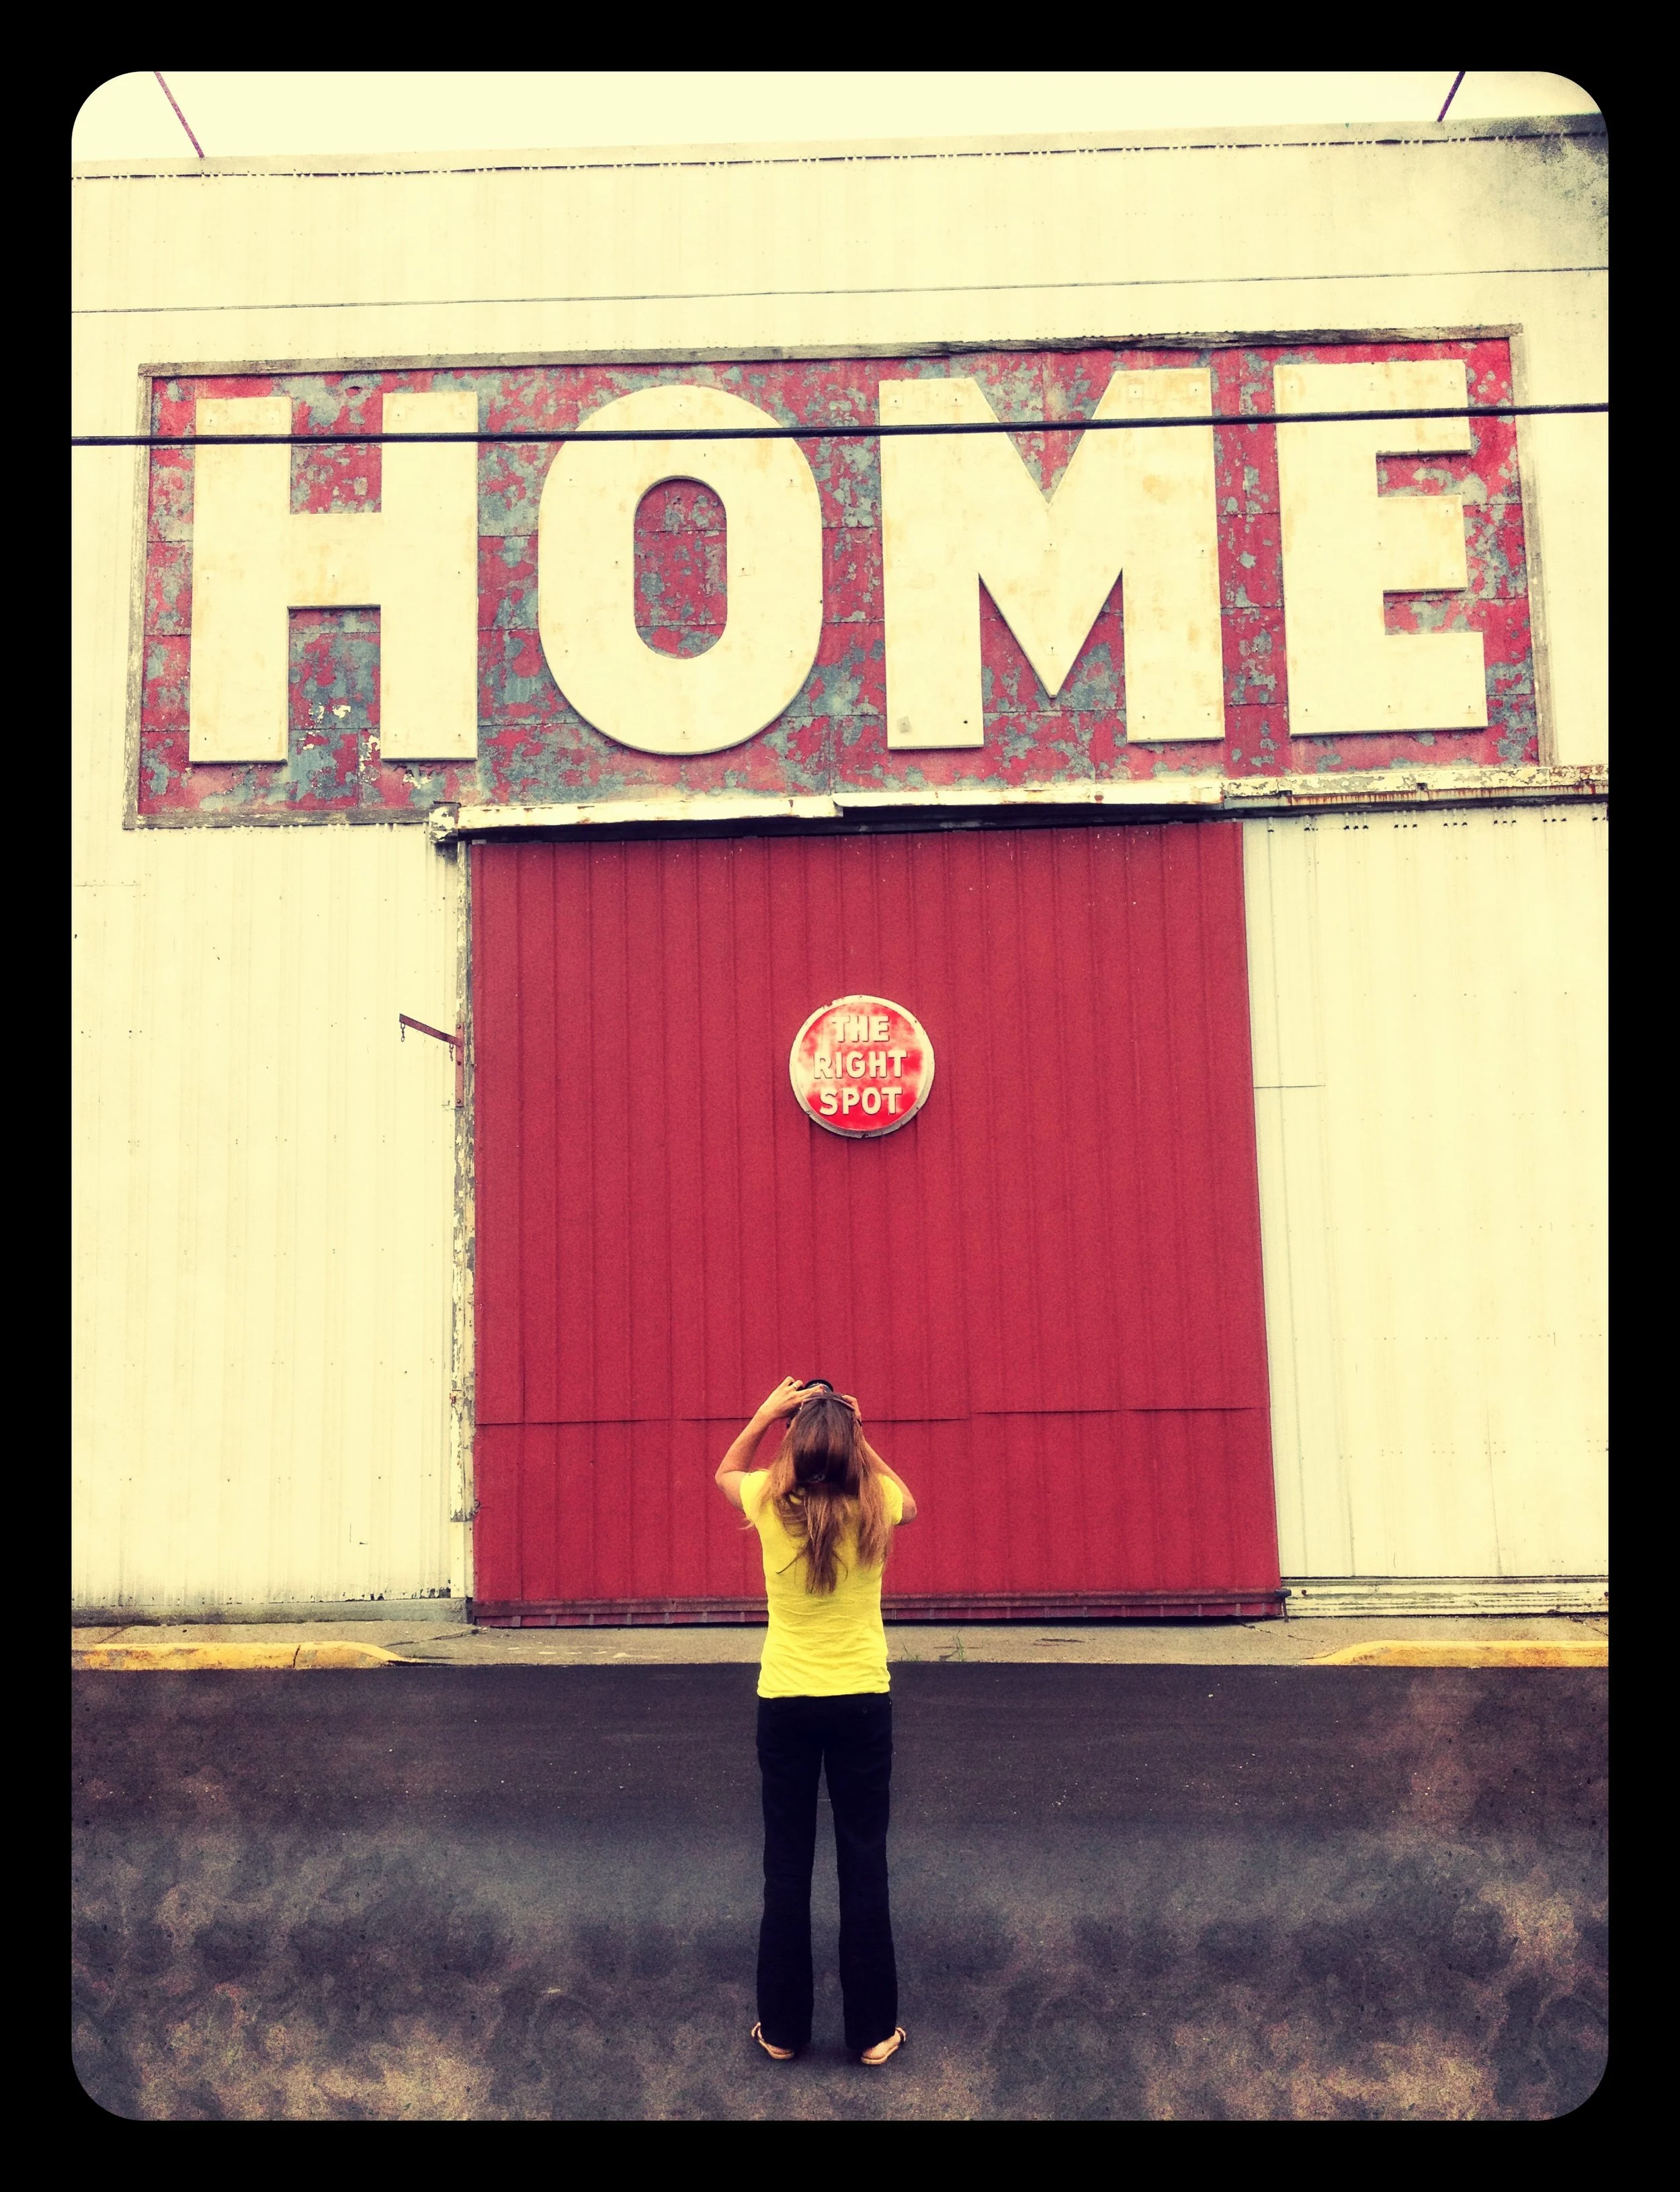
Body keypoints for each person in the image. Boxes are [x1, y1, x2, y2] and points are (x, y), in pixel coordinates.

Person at [715, 1376, 919, 2067]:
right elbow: (910, 1499)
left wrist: (767, 1412)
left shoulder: (770, 1502)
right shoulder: (878, 1502)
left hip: (787, 1702)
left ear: (795, 1446)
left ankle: (780, 2031)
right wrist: (856, 1436)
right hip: (861, 1700)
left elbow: (725, 1469)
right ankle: (870, 2035)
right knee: (863, 1862)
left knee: (786, 1864)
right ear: (848, 1445)